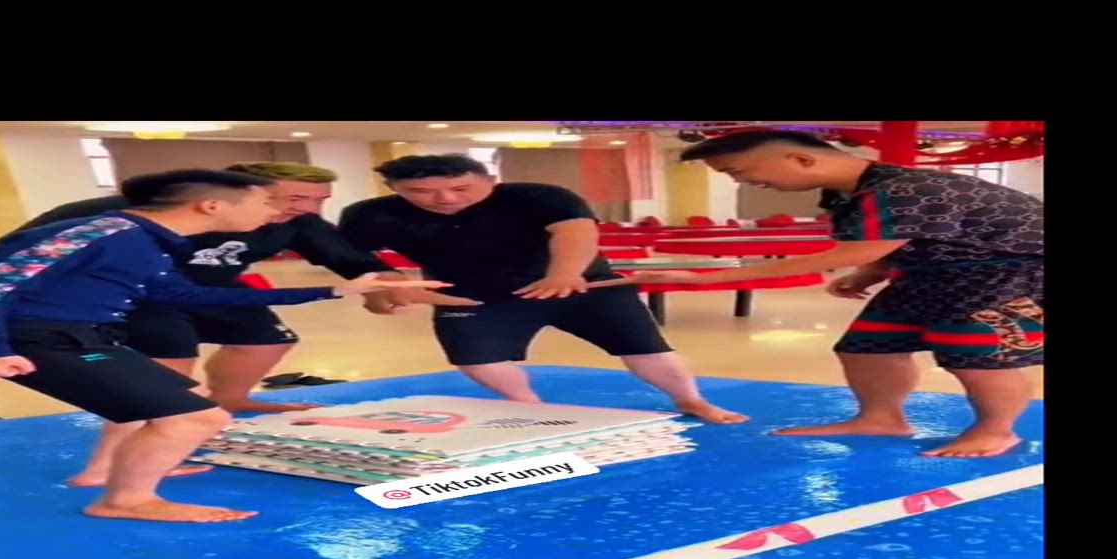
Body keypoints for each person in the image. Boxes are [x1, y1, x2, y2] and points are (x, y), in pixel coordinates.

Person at [0, 169, 447, 522]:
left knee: (186, 407)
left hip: (81, 335)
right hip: (37, 339)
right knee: (195, 418)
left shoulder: (150, 241)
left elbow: (185, 295)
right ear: (212, 206)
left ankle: (124, 485)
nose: (274, 212)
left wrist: (337, 291)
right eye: (264, 202)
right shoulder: (105, 232)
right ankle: (126, 499)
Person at [614, 130, 1043, 458]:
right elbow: (901, 241)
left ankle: (995, 431)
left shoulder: (901, 189)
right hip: (932, 275)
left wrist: (707, 279)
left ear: (801, 159)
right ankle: (881, 419)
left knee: (977, 353)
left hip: (1009, 272)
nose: (746, 182)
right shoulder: (849, 192)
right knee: (867, 346)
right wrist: (867, 274)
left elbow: (854, 249)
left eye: (739, 172)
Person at [337, 154, 746, 423]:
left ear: (491, 179)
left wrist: (564, 273)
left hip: (585, 286)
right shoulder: (371, 214)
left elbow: (575, 231)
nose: (443, 199)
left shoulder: (538, 196)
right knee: (477, 360)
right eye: (420, 192)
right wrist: (382, 292)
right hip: (474, 295)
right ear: (396, 189)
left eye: (461, 188)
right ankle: (529, 407)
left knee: (646, 348)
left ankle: (691, 399)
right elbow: (355, 259)